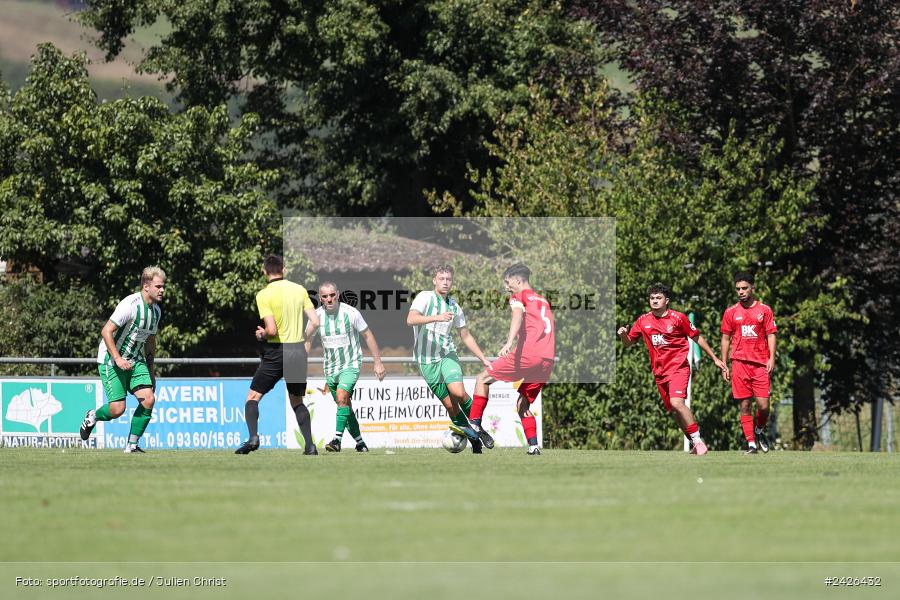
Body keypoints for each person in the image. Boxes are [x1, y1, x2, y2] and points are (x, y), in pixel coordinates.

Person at [618, 283, 727, 455]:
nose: (654, 301)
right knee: (675, 412)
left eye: (658, 298)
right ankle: (694, 442)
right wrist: (624, 335)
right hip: (659, 373)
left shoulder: (678, 318)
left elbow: (697, 337)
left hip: (678, 368)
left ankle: (699, 442)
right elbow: (628, 343)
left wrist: (715, 358)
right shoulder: (643, 320)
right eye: (652, 298)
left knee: (678, 403)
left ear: (666, 301)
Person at [235, 255, 320, 455]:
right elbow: (315, 322)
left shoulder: (264, 295)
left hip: (277, 350)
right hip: (298, 350)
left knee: (253, 397)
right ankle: (310, 446)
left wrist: (261, 333)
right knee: (297, 400)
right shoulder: (299, 289)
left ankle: (253, 438)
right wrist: (301, 337)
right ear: (284, 268)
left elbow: (271, 330)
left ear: (264, 271)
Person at [407, 264, 493, 453]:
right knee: (450, 406)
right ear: (434, 281)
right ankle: (473, 439)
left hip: (447, 354)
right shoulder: (424, 297)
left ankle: (478, 427)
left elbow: (466, 335)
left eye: (448, 279)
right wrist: (436, 317)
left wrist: (483, 358)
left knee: (458, 392)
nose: (445, 282)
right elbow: (411, 319)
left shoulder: (454, 306)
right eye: (442, 279)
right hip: (426, 361)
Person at [80, 266, 166, 453]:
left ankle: (132, 445)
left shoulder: (156, 312)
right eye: (158, 286)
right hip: (111, 360)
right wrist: (117, 358)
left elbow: (150, 341)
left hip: (136, 361)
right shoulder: (130, 305)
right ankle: (93, 416)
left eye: (163, 286)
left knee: (149, 399)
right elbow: (106, 331)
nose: (162, 290)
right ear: (146, 286)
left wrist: (151, 372)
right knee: (117, 409)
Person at [472, 263, 554, 456]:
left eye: (508, 283)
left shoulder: (520, 296)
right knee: (523, 405)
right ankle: (533, 446)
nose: (507, 288)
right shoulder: (542, 300)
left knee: (482, 378)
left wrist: (509, 342)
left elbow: (517, 315)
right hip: (547, 360)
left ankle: (474, 425)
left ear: (518, 280)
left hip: (528, 354)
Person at [305, 281, 386, 452]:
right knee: (345, 406)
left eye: (332, 295)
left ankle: (336, 440)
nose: (329, 299)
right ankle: (360, 442)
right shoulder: (316, 317)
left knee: (342, 397)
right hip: (330, 369)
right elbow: (308, 340)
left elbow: (368, 336)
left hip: (351, 364)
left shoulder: (351, 313)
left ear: (338, 294)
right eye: (325, 296)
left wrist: (377, 362)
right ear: (320, 298)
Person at [720, 272, 778, 454]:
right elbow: (725, 339)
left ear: (753, 288)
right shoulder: (730, 312)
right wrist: (724, 364)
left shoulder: (765, 310)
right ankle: (751, 443)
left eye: (744, 288)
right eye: (738, 289)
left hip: (760, 364)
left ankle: (759, 430)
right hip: (739, 364)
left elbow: (771, 334)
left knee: (763, 406)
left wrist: (772, 357)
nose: (741, 292)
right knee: (745, 405)